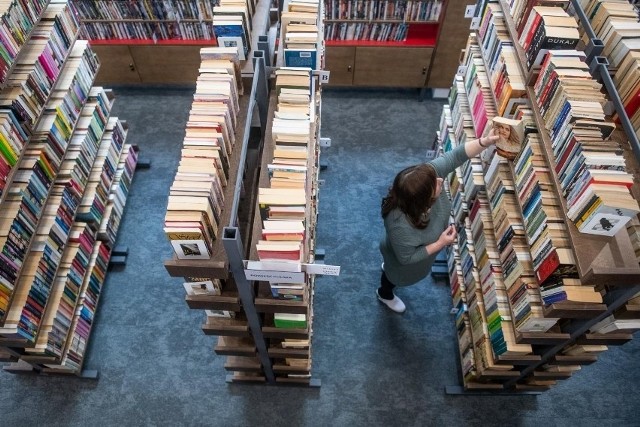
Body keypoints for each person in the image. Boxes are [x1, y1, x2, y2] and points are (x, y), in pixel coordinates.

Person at [377, 130, 500, 313]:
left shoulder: (426, 178)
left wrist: (484, 141)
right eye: (436, 184)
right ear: (422, 200)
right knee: (392, 276)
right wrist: (441, 243)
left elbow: (455, 156)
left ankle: (387, 268)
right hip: (403, 260)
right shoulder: (399, 224)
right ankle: (384, 293)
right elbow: (407, 258)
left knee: (391, 265)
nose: (441, 179)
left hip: (408, 248)